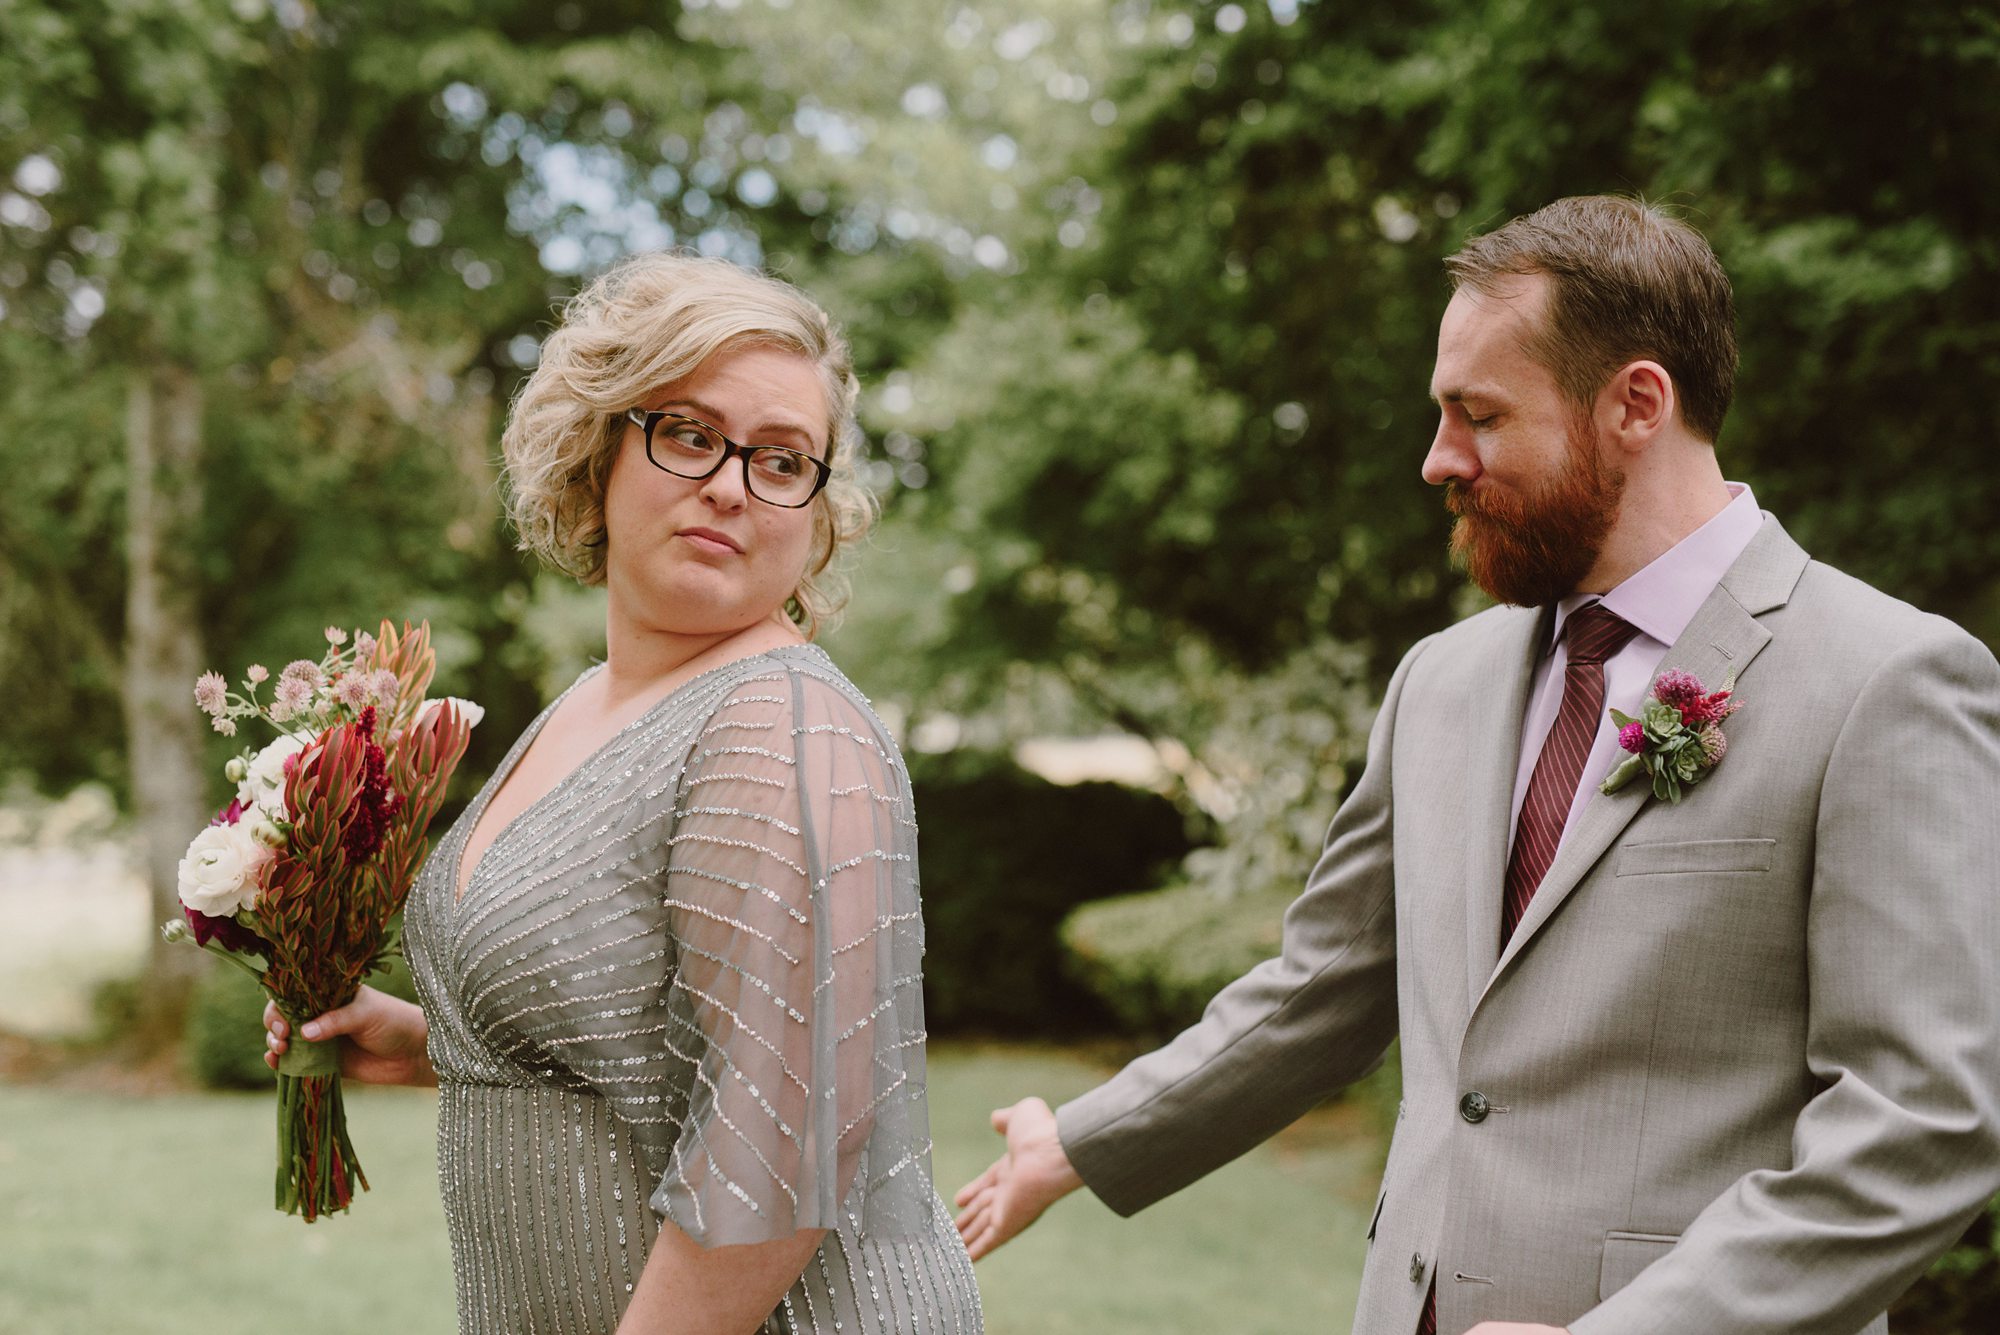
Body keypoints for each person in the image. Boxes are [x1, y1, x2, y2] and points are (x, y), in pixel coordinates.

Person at [952, 195, 2000, 1335]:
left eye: (1478, 415)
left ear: (1634, 405)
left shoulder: (1886, 680)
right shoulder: (1439, 683)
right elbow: (1324, 987)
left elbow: (1922, 1120)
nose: (1435, 459)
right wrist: (1081, 1142)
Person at [264, 254, 981, 1335]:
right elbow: (644, 1053)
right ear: (598, 445)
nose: (733, 482)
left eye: (783, 459)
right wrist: (430, 1042)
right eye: (690, 433)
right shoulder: (593, 703)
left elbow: (781, 1147)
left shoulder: (781, 727)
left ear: (814, 507)